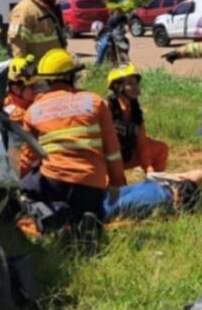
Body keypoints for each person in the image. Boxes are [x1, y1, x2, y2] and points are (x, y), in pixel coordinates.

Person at [23, 49, 126, 237]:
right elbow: (112, 150)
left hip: (55, 182)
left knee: (27, 185)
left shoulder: (33, 111)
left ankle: (53, 215)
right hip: (91, 182)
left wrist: (17, 183)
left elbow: (28, 157)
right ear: (72, 76)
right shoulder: (95, 102)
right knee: (90, 209)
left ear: (46, 80)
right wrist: (116, 182)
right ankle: (88, 218)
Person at [106, 64, 169, 174]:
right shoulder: (107, 107)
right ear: (118, 87)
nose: (136, 87)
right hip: (107, 159)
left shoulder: (135, 110)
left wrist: (149, 168)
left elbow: (142, 142)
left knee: (160, 149)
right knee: (118, 187)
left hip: (127, 154)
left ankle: (154, 184)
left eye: (136, 83)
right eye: (130, 84)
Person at [3, 55, 40, 177]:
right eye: (31, 87)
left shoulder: (30, 102)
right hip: (21, 167)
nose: (36, 90)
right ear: (16, 88)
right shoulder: (13, 110)